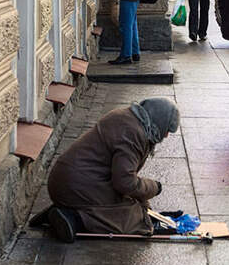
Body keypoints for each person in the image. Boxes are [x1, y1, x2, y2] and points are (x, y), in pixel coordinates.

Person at [38, 98, 180, 243]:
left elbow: (124, 175)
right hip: (76, 184)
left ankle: (66, 210)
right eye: (167, 130)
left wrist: (144, 201)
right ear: (159, 121)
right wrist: (154, 187)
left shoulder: (127, 116)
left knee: (136, 205)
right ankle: (73, 219)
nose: (166, 135)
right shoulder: (134, 132)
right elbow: (125, 183)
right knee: (132, 217)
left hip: (66, 180)